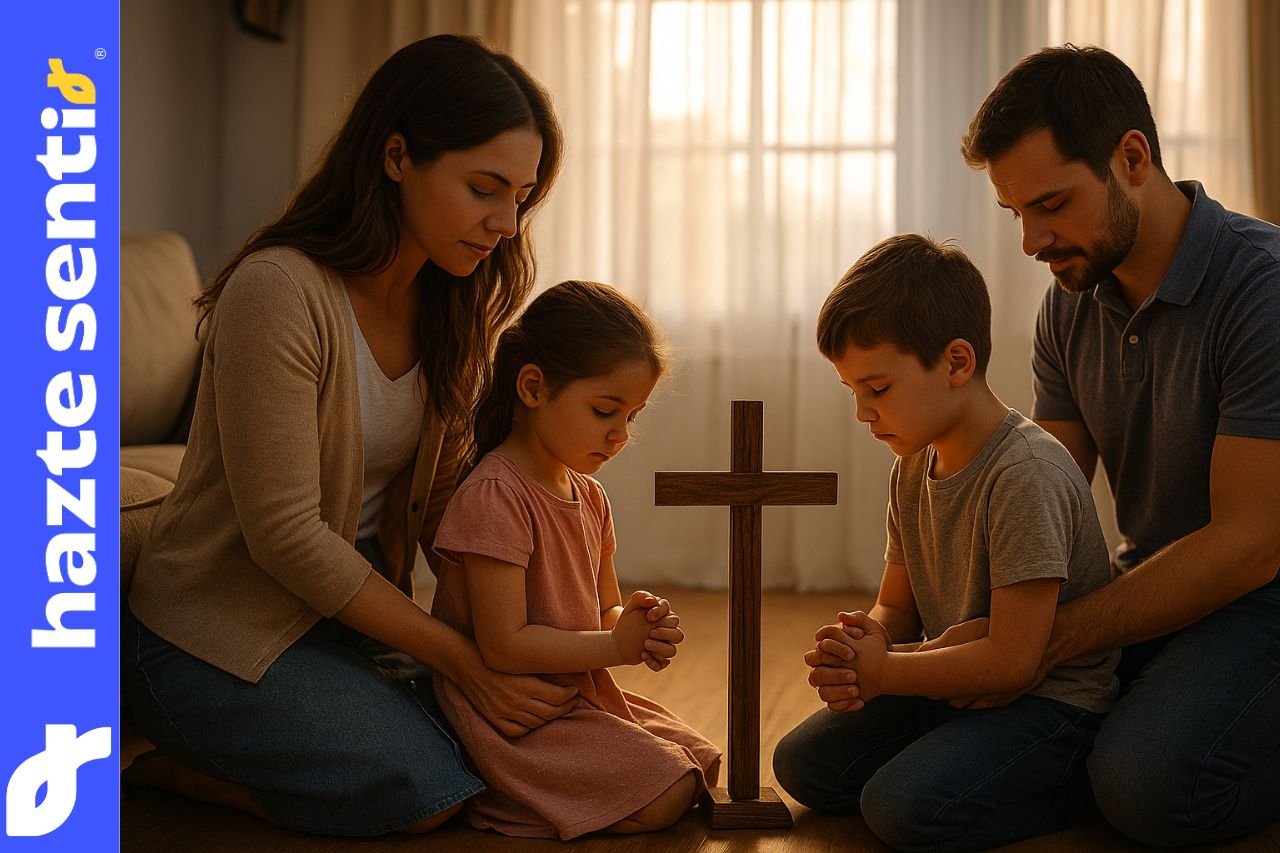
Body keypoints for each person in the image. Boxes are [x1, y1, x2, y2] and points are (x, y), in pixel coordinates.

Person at [122, 35, 679, 837]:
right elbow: (284, 534)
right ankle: (195, 774)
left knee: (518, 740)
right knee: (426, 789)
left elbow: (450, 500)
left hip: (346, 626)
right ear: (396, 157)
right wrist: (461, 660)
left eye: (521, 196)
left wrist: (548, 632)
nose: (505, 221)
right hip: (212, 640)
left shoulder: (452, 302)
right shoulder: (278, 292)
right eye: (483, 188)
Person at [809, 45, 1280, 847]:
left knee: (1150, 785)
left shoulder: (1260, 287)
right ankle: (1093, 756)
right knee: (826, 768)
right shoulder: (1071, 302)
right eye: (1015, 213)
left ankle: (1127, 764)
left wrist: (1033, 647)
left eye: (1052, 204)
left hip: (1261, 595)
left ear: (1133, 157)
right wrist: (925, 645)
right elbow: (1033, 491)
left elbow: (1249, 545)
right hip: (1151, 582)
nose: (1031, 241)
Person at [773, 234, 1119, 851]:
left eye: (877, 389)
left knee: (899, 809)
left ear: (957, 362)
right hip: (952, 684)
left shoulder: (1025, 474)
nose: (863, 413)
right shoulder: (911, 465)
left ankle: (1082, 791)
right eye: (853, 391)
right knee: (804, 765)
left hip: (1048, 705)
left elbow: (1013, 661)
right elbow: (898, 607)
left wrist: (886, 673)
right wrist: (867, 642)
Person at [430, 280, 722, 839]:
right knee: (669, 791)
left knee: (697, 758)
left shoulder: (587, 495)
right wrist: (613, 646)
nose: (619, 436)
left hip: (572, 693)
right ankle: (498, 791)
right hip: (512, 711)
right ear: (534, 387)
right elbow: (502, 644)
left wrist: (633, 624)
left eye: (631, 417)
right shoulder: (496, 494)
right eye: (605, 410)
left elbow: (604, 607)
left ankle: (570, 787)